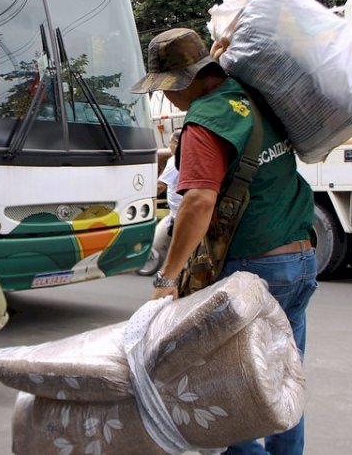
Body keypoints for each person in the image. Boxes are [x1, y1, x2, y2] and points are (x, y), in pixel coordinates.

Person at [131, 29, 317, 455]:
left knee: (233, 391)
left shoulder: (204, 122)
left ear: (184, 80)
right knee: (284, 379)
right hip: (301, 259)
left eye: (167, 88)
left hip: (255, 270)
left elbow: (197, 202)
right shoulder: (254, 98)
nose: (168, 98)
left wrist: (167, 275)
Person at [137, 129, 182, 276]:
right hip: (177, 213)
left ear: (175, 143)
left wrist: (142, 196)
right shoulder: (187, 157)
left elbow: (160, 186)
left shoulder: (175, 160)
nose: (170, 145)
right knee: (159, 240)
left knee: (171, 248)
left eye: (170, 142)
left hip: (179, 216)